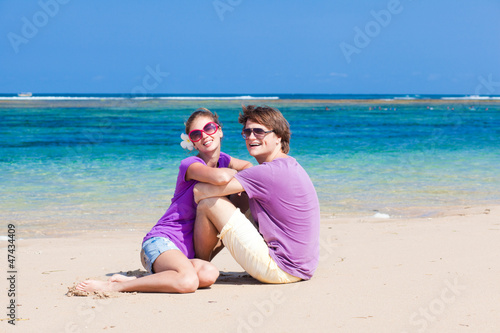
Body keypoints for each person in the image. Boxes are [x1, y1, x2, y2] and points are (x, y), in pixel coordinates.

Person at [76, 108, 252, 293]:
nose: (205, 136)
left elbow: (248, 166)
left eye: (209, 128)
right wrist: (237, 174)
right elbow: (220, 178)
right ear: (192, 142)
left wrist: (241, 176)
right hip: (161, 242)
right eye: (196, 134)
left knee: (209, 274)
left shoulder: (224, 160)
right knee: (188, 282)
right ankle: (116, 287)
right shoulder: (190, 164)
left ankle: (143, 279)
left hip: (186, 255)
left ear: (219, 130)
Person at [193, 105, 320, 284]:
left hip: (282, 269)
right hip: (302, 267)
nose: (252, 137)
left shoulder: (269, 172)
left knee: (210, 203)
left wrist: (193, 171)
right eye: (248, 132)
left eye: (259, 132)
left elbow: (201, 192)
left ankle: (197, 265)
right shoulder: (288, 165)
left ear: (279, 137)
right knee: (242, 197)